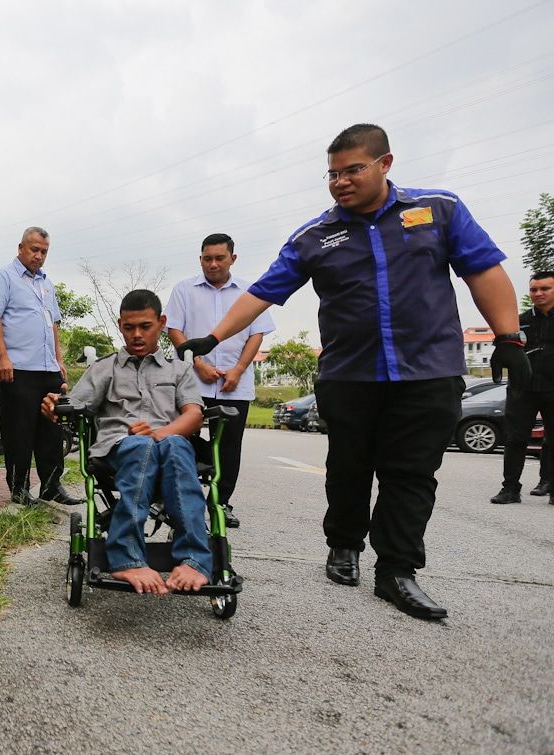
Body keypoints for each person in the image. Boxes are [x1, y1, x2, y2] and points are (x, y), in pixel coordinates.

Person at [175, 123, 530, 620]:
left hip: (427, 371)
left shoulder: (438, 209)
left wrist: (508, 336)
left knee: (411, 473)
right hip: (349, 374)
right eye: (332, 173)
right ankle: (343, 545)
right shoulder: (315, 235)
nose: (340, 181)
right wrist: (213, 337)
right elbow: (262, 292)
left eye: (353, 170)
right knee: (348, 467)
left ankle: (398, 570)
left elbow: (483, 270)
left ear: (385, 163)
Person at [41, 289, 211, 594]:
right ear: (120, 325)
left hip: (170, 445)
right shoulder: (105, 368)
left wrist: (161, 433)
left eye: (145, 327)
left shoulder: (180, 370)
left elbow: (194, 415)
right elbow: (72, 405)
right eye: (129, 327)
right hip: (120, 448)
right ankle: (128, 557)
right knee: (140, 446)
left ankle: (194, 560)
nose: (136, 334)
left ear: (161, 323)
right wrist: (55, 405)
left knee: (174, 445)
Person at [166, 233, 275, 528]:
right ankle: (180, 500)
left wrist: (239, 369)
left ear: (233, 259)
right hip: (193, 383)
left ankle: (220, 503)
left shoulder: (249, 292)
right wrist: (198, 363)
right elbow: (174, 330)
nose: (213, 264)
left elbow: (257, 333)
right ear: (200, 258)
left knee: (229, 446)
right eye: (207, 258)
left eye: (219, 258)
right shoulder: (184, 290)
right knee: (182, 440)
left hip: (234, 384)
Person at [0, 226, 82, 506]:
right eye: (34, 249)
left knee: (52, 429)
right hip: (16, 368)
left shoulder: (46, 284)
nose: (39, 256)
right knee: (19, 430)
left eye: (44, 251)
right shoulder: (3, 278)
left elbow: (52, 323)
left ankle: (51, 486)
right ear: (20, 248)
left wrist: (59, 360)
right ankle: (19, 488)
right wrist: (2, 356)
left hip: (47, 368)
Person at [491, 270, 554, 505]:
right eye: (534, 289)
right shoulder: (520, 321)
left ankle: (550, 484)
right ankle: (510, 489)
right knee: (515, 438)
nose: (538, 293)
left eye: (544, 288)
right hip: (522, 390)